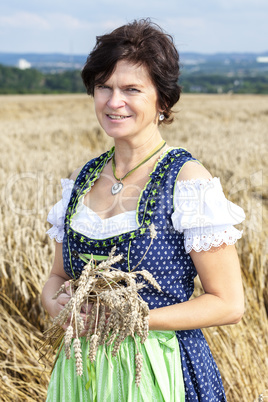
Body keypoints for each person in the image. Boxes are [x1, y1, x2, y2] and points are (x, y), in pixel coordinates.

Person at [42, 19, 245, 401]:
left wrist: (134, 320)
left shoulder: (186, 180)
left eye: (131, 89)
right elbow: (56, 276)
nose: (113, 101)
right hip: (81, 373)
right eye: (104, 87)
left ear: (162, 101)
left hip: (157, 370)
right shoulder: (82, 178)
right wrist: (56, 305)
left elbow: (229, 303)